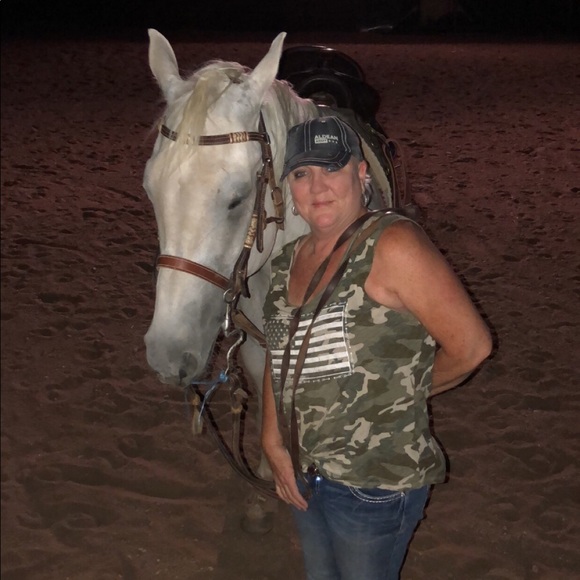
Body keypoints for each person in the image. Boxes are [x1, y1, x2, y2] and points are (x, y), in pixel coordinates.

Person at [260, 116, 492, 580]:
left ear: (361, 173)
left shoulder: (392, 244)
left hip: (373, 484)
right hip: (306, 468)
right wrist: (272, 439)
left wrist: (399, 394)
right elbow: (278, 351)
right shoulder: (287, 259)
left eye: (332, 167)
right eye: (302, 173)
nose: (318, 186)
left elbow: (472, 347)